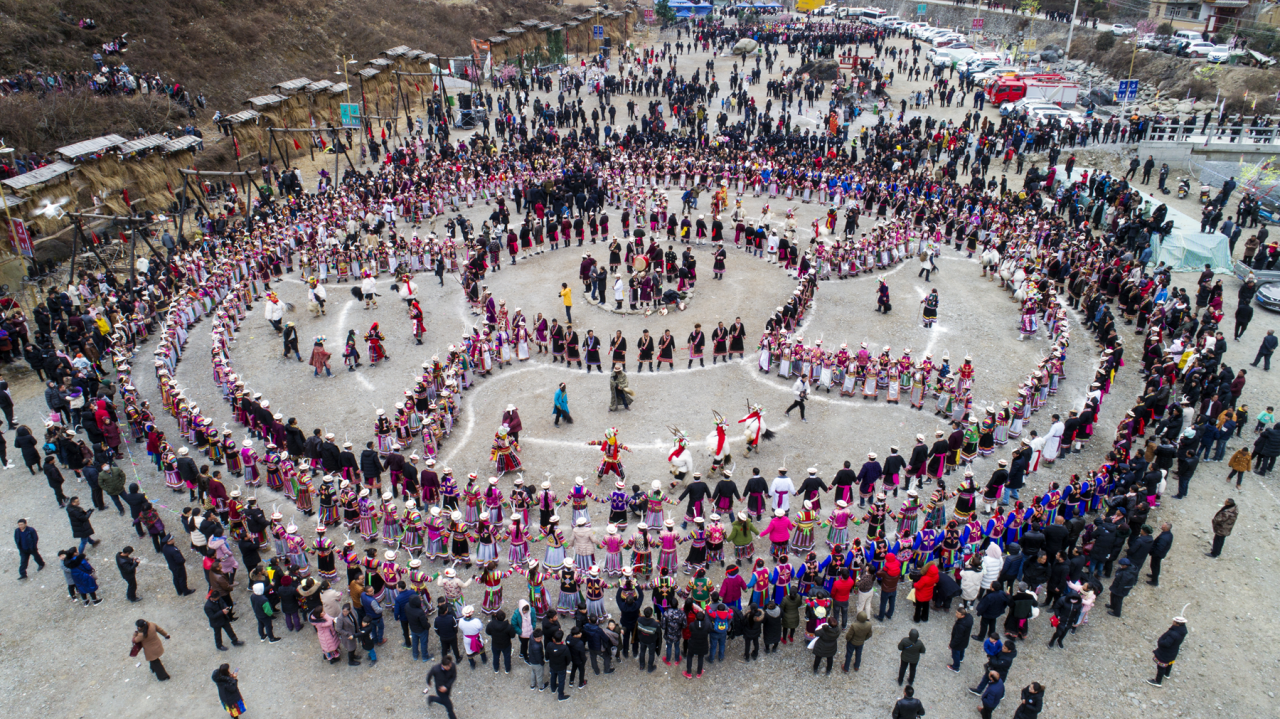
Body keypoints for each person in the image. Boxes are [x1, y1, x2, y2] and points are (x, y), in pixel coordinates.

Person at [1148, 615, 1188, 687]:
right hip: (1173, 651)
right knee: (1169, 663)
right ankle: (1167, 674)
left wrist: (1160, 642)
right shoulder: (1182, 631)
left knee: (1161, 667)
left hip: (1165, 653)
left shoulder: (1173, 634)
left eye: (1174, 621)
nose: (1173, 622)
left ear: (1177, 624)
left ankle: (1158, 681)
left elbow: (1166, 643)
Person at [485, 609, 517, 673]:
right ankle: (507, 669)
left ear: (496, 617)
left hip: (495, 644)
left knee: (496, 656)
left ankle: (496, 669)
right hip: (506, 645)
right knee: (507, 657)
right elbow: (513, 636)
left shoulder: (491, 624)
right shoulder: (508, 626)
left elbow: (487, 632)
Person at [810, 609, 840, 674]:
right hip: (831, 646)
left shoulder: (824, 630)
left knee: (818, 658)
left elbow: (816, 633)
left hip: (822, 646)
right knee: (830, 658)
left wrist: (823, 627)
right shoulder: (837, 630)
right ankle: (828, 670)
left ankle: (815, 669)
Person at [546, 629, 572, 700]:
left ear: (553, 639)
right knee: (561, 681)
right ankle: (560, 696)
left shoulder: (549, 645)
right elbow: (568, 659)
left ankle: (553, 688)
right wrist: (566, 664)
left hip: (552, 665)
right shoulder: (565, 648)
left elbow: (547, 655)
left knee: (553, 676)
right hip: (561, 667)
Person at [947, 607, 973, 671]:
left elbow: (957, 637)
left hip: (958, 643)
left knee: (955, 653)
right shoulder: (969, 618)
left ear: (963, 616)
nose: (956, 615)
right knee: (962, 650)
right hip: (964, 640)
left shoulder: (960, 626)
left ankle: (955, 667)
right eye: (956, 612)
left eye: (958, 614)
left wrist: (951, 645)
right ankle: (960, 658)